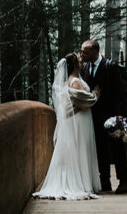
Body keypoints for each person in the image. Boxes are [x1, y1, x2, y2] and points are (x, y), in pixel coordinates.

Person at [33, 53, 101, 200]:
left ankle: (82, 182)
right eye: (79, 59)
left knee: (79, 149)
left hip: (79, 119)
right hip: (79, 119)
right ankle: (79, 184)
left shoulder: (75, 79)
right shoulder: (75, 81)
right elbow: (84, 101)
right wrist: (96, 93)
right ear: (75, 64)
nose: (81, 60)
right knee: (80, 148)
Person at [80, 39, 127, 194]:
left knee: (117, 148)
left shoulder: (110, 66)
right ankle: (105, 181)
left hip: (112, 116)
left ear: (95, 52)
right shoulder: (85, 67)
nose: (82, 54)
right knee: (100, 148)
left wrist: (120, 115)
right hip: (94, 117)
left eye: (85, 52)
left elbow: (122, 93)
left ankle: (123, 182)